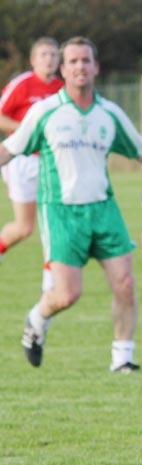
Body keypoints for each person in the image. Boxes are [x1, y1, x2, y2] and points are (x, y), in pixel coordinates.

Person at [0, 36, 142, 372]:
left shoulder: (108, 113)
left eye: (86, 61)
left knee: (125, 283)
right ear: (63, 69)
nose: (80, 67)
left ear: (96, 67)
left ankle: (122, 358)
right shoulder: (45, 112)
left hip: (104, 208)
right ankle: (36, 318)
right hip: (61, 212)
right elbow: (9, 149)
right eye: (73, 61)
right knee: (67, 295)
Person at [0, 37, 63, 290]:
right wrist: (28, 131)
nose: (49, 59)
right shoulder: (22, 84)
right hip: (21, 162)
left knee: (55, 218)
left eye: (53, 55)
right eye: (44, 54)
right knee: (24, 227)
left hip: (51, 162)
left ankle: (51, 282)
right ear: (33, 60)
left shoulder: (62, 87)